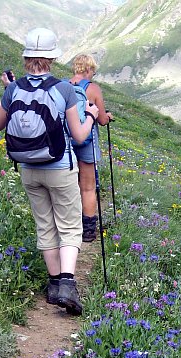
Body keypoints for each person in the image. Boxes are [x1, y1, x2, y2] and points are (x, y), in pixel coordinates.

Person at [0, 28, 99, 316]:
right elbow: (78, 136)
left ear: (26, 57)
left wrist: (7, 90)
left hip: (28, 168)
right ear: (51, 58)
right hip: (60, 167)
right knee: (69, 226)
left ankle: (53, 284)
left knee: (45, 225)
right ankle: (67, 284)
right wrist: (91, 116)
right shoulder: (63, 89)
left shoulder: (14, 88)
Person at [69, 54, 114, 242]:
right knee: (88, 187)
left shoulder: (64, 85)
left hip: (66, 140)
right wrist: (108, 117)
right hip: (87, 139)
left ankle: (69, 225)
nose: (93, 75)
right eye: (93, 71)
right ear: (88, 69)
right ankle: (88, 230)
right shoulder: (92, 88)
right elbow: (102, 119)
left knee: (69, 185)